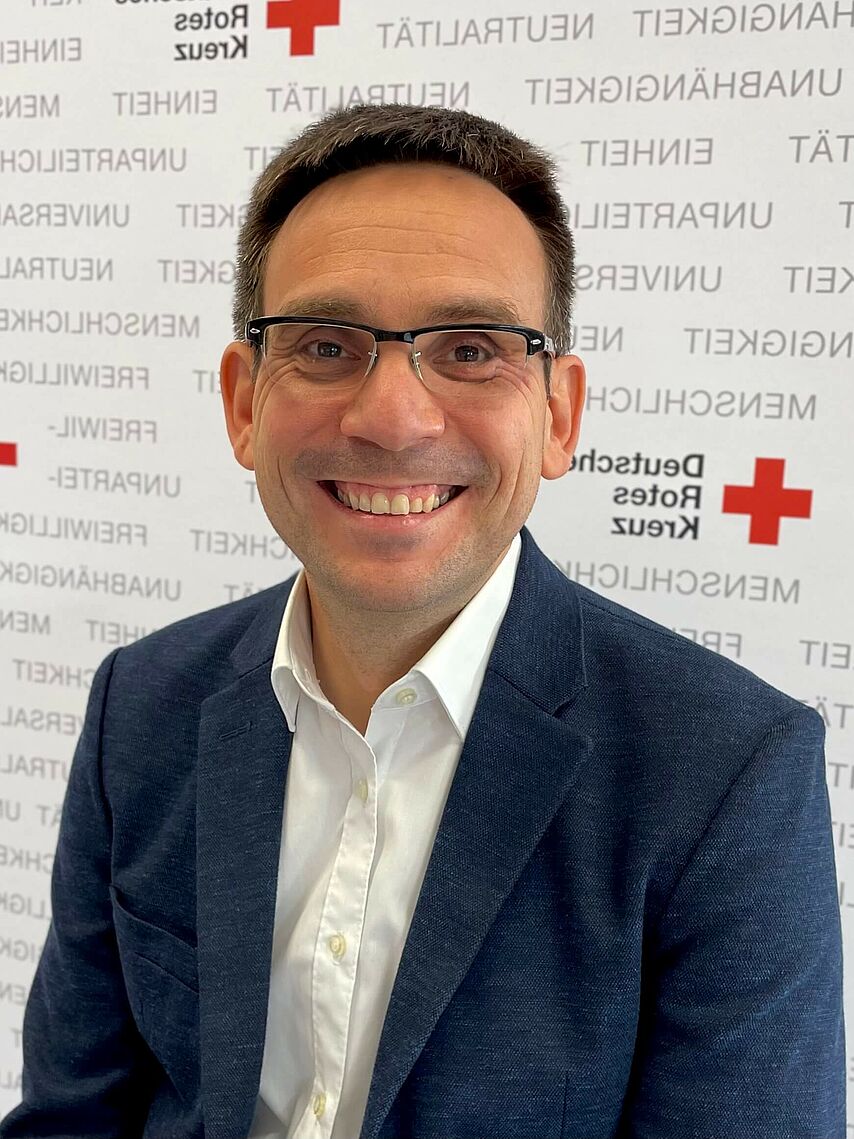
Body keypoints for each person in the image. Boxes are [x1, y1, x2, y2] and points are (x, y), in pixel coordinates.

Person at [0, 103, 844, 1139]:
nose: (392, 418)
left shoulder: (724, 774)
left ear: (559, 414)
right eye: (324, 344)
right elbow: (72, 1116)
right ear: (243, 403)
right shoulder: (142, 704)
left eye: (472, 349)